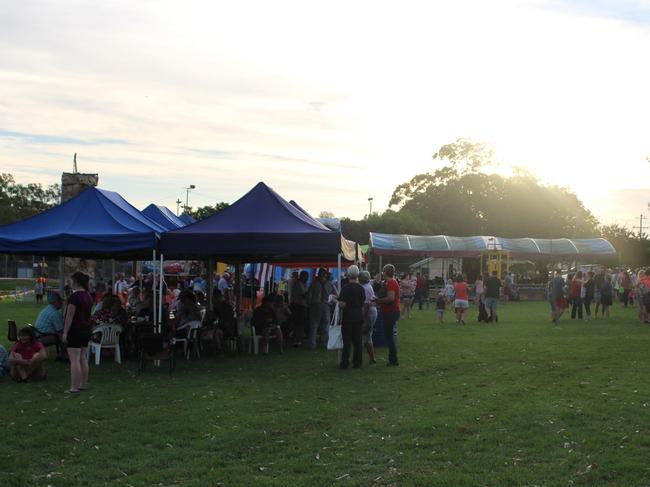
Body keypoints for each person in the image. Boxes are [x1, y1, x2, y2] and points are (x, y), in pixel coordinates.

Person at [62, 271, 94, 393]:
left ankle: (74, 387)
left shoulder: (75, 297)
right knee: (83, 358)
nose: (70, 283)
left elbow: (69, 316)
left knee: (74, 359)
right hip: (86, 330)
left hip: (75, 330)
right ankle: (83, 384)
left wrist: (65, 332)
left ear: (76, 281)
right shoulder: (88, 296)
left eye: (71, 280)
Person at [337, 265, 366, 369]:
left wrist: (336, 301)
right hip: (358, 316)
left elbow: (342, 304)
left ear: (348, 275)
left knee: (347, 341)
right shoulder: (361, 288)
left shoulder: (345, 288)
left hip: (348, 316)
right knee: (358, 341)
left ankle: (345, 363)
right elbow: (362, 302)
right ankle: (357, 363)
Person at [374, 264, 400, 367]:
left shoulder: (392, 282)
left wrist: (378, 300)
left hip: (391, 312)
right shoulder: (389, 282)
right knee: (389, 336)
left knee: (389, 337)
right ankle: (393, 359)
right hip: (390, 312)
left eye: (383, 271)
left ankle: (393, 360)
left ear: (385, 272)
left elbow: (390, 298)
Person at [307, 268, 336, 350]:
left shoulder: (314, 284)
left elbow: (309, 295)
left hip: (315, 305)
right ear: (325, 275)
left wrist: (309, 304)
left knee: (314, 325)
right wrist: (331, 301)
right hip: (326, 306)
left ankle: (312, 344)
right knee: (326, 326)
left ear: (318, 274)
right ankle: (325, 343)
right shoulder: (330, 284)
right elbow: (336, 294)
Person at [359, 270, 377, 364]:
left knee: (364, 336)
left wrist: (365, 321)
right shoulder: (368, 286)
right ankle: (372, 358)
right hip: (371, 312)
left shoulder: (365, 288)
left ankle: (359, 359)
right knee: (367, 336)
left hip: (368, 313)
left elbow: (366, 305)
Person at [289, 270, 309, 346]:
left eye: (307, 277)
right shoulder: (298, 284)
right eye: (306, 277)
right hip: (297, 306)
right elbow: (302, 295)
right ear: (302, 276)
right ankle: (296, 340)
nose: (307, 278)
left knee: (301, 324)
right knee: (297, 324)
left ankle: (299, 339)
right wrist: (309, 292)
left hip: (302, 306)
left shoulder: (304, 284)